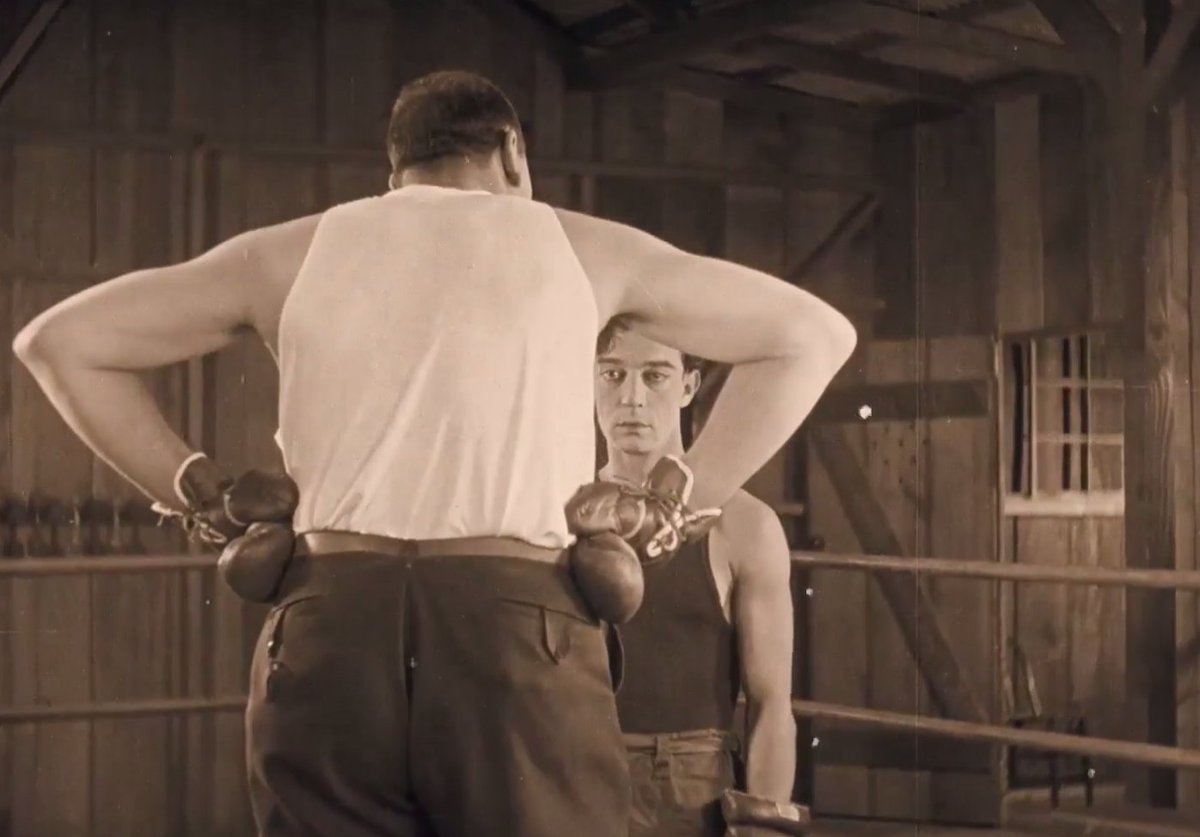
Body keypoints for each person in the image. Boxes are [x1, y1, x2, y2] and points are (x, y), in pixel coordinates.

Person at [12, 70, 856, 837]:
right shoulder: (578, 244)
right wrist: (674, 503)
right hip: (515, 632)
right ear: (512, 153)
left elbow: (57, 343)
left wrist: (203, 492)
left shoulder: (293, 250)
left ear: (396, 171)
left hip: (326, 624)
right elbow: (814, 335)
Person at [594, 319, 803, 837]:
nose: (632, 398)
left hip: (690, 785)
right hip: (575, 766)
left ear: (688, 386)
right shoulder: (554, 514)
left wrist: (765, 826)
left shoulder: (744, 525)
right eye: (613, 374)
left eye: (655, 376)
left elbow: (772, 704)